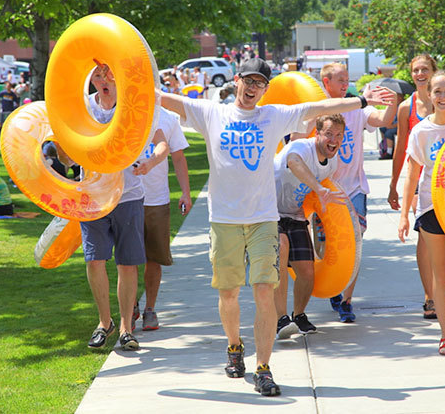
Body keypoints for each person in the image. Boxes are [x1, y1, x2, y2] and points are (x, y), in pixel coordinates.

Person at [158, 58, 395, 396]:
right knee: (228, 294)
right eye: (249, 81)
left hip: (263, 219)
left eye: (260, 84)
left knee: (264, 292)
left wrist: (361, 101)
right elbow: (165, 99)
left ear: (266, 89)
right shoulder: (213, 113)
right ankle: (234, 346)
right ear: (237, 80)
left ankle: (264, 368)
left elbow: (320, 105)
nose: (253, 88)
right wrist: (123, 84)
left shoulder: (274, 116)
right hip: (224, 219)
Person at [57, 64, 168, 351]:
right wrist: (62, 146)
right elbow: (68, 160)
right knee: (94, 260)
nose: (103, 80)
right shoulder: (82, 109)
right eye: (97, 75)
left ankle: (126, 329)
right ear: (91, 79)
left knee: (127, 264)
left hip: (129, 195)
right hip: (92, 197)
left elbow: (161, 143)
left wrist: (151, 162)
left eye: (109, 75)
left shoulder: (135, 108)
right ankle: (103, 322)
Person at [388, 54, 445, 319]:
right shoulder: (412, 117)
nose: (420, 73)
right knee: (428, 244)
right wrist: (397, 190)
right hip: (427, 192)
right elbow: (404, 153)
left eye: (425, 69)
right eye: (416, 70)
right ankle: (432, 297)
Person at [318, 62, 397, 323]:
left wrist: (392, 104)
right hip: (325, 190)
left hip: (354, 189)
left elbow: (384, 120)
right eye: (340, 80)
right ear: (326, 83)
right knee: (326, 245)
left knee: (355, 244)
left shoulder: (358, 108)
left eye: (347, 80)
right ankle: (333, 286)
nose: (345, 84)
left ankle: (346, 300)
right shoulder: (315, 110)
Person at [273, 114, 346, 339]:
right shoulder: (302, 147)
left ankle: (299, 315)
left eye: (338, 136)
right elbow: (294, 163)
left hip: (294, 214)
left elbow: (318, 197)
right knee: (281, 247)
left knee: (306, 270)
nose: (333, 140)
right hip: (268, 210)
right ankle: (280, 319)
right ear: (317, 133)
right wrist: (317, 186)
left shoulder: (332, 162)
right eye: (328, 134)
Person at [134, 107, 192, 332]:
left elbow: (178, 156)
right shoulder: (122, 111)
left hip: (157, 199)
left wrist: (185, 192)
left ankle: (149, 308)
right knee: (127, 259)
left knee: (154, 258)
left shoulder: (167, 118)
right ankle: (130, 308)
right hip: (126, 198)